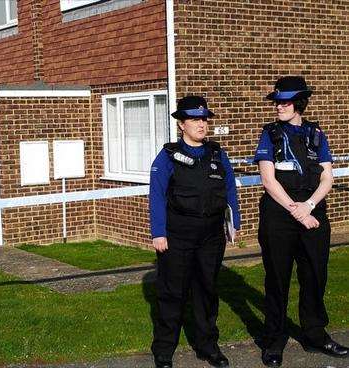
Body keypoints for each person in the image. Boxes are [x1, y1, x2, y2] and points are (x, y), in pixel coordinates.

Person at [253, 76, 348, 367]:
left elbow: (327, 177)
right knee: (277, 279)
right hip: (279, 214)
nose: (279, 106)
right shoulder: (269, 134)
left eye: (286, 101)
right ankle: (274, 340)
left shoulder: (316, 134)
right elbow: (268, 180)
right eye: (278, 101)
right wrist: (296, 211)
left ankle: (315, 334)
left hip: (313, 210)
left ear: (300, 103)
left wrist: (309, 206)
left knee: (315, 276)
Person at [149, 95, 240, 368]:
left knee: (207, 291)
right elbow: (157, 195)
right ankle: (164, 349)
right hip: (178, 233)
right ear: (182, 125)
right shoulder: (167, 156)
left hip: (211, 234)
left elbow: (230, 188)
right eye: (195, 119)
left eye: (204, 119)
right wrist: (159, 232)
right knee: (172, 292)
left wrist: (233, 221)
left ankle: (208, 346)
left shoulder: (216, 153)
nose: (201, 124)